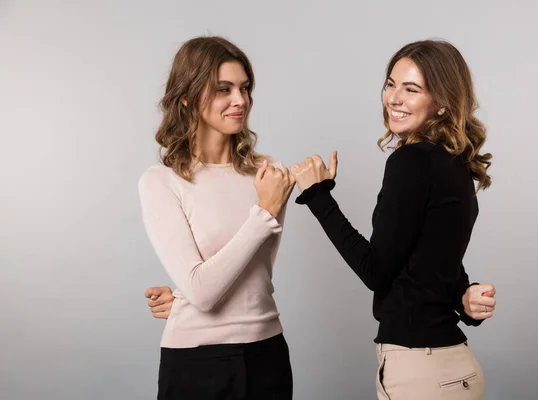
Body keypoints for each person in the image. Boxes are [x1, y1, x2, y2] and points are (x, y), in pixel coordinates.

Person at [288, 39, 495, 399]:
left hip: (421, 372)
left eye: (411, 89)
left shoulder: (410, 162)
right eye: (390, 84)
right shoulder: (453, 163)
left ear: (442, 103)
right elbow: (430, 265)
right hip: (454, 369)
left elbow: (376, 272)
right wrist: (464, 298)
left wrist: (319, 196)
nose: (394, 98)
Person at [138, 35, 295, 400]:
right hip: (196, 361)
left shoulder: (268, 172)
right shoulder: (162, 181)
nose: (239, 101)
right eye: (223, 89)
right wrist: (264, 212)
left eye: (244, 88)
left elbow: (254, 273)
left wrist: (181, 293)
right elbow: (204, 293)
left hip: (268, 351)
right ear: (188, 97)